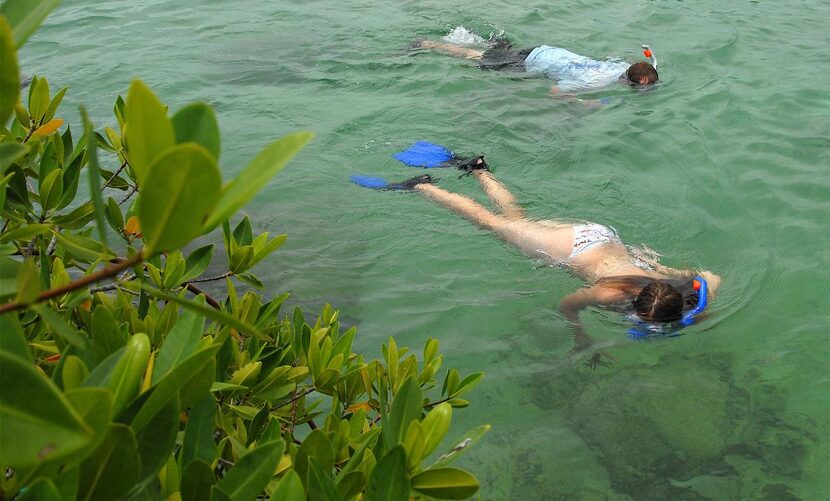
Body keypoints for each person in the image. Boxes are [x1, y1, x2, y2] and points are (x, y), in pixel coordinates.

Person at [354, 147, 720, 354]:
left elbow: (709, 278)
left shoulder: (672, 291)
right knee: (492, 224)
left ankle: (479, 169)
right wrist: (580, 335)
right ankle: (423, 187)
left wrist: (696, 311)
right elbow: (567, 304)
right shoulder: (608, 293)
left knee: (515, 217)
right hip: (571, 249)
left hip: (600, 234)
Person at [415, 33, 659, 96]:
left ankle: (497, 43)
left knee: (499, 50)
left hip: (547, 50)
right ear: (628, 82)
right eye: (643, 87)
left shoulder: (621, 66)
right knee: (476, 59)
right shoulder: (594, 83)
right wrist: (580, 102)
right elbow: (555, 91)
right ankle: (428, 44)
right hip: (534, 62)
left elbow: (645, 67)